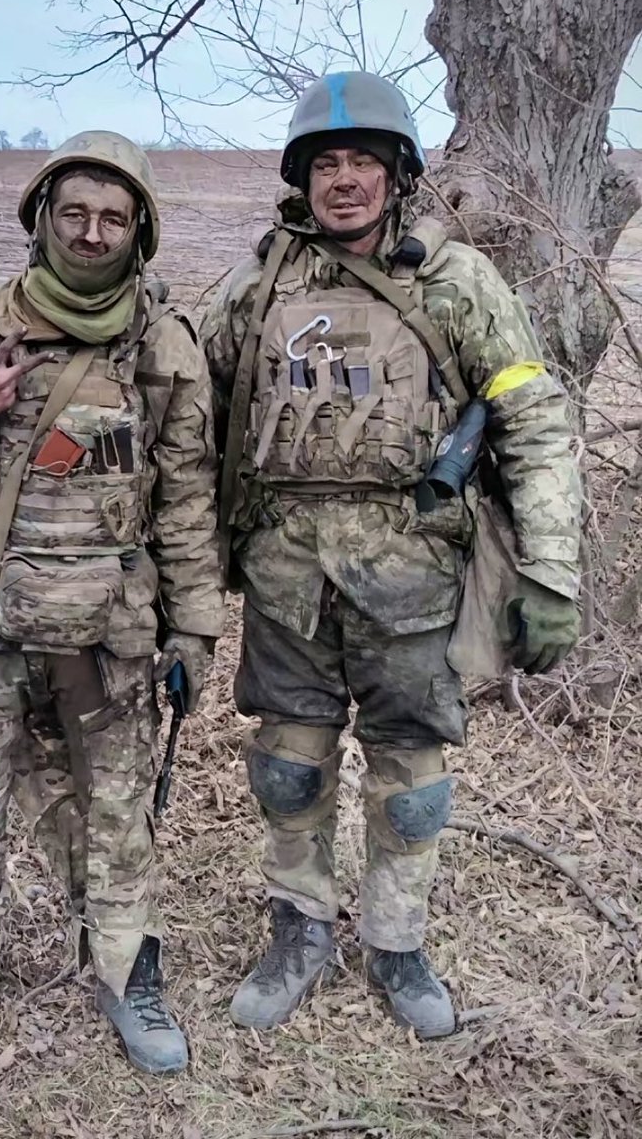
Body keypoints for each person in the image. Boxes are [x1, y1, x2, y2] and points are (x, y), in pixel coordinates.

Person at [200, 71, 581, 1039]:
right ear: (300, 179)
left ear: (396, 174)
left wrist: (548, 571)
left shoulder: (457, 284)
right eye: (324, 163)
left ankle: (396, 943)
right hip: (286, 577)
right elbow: (185, 414)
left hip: (410, 576)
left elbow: (532, 422)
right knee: (287, 768)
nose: (342, 180)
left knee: (409, 779)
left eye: (361, 162)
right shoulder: (258, 286)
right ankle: (296, 932)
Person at [0, 131, 225, 1073]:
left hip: (111, 633)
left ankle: (125, 974)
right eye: (73, 212)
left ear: (139, 231)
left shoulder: (164, 344)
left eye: (113, 217)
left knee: (116, 810)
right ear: (41, 218)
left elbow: (188, 497)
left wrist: (196, 626)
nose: (91, 233)